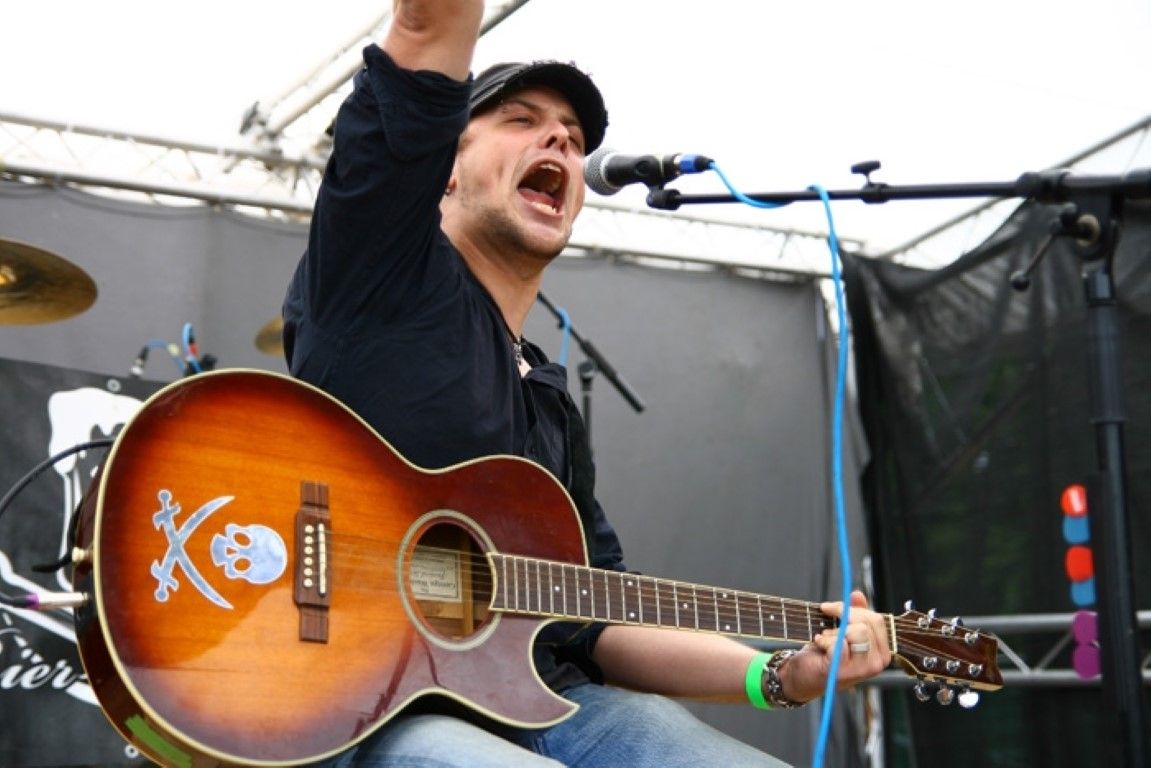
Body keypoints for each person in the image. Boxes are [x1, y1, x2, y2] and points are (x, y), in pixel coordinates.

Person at [282, 1, 892, 765]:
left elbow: (599, 618)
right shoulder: (383, 268)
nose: (560, 142)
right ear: (445, 164)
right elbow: (425, 31)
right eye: (520, 120)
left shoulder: (548, 404)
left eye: (573, 139)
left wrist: (781, 676)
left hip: (535, 698)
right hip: (353, 697)